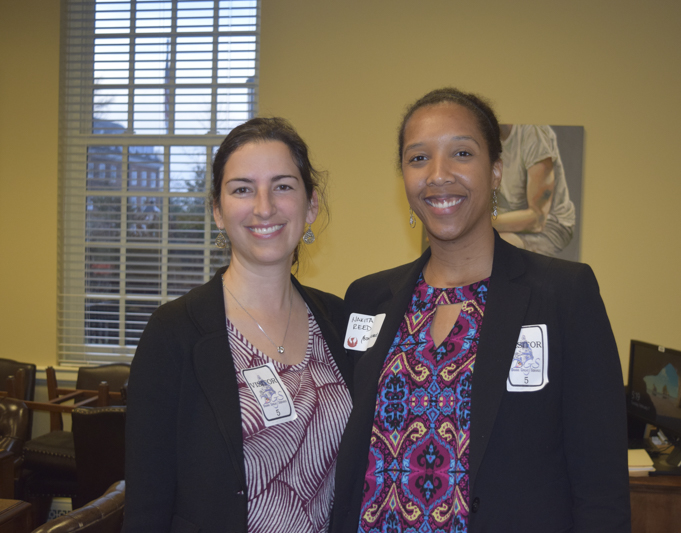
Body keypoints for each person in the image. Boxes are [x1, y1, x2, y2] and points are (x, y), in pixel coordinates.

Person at [331, 89, 630, 532]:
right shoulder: (367, 298)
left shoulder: (563, 295)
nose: (438, 175)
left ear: (495, 172)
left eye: (461, 153)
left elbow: (601, 485)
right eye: (418, 159)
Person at [124, 118, 354, 533]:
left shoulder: (339, 321)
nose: (264, 206)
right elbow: (147, 502)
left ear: (311, 205)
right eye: (242, 189)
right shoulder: (174, 332)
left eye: (283, 186)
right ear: (216, 210)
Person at [493, 123, 576, 256]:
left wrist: (480, 226)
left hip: (549, 227)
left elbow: (537, 219)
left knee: (488, 250)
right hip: (503, 225)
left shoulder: (533, 134)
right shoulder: (485, 139)